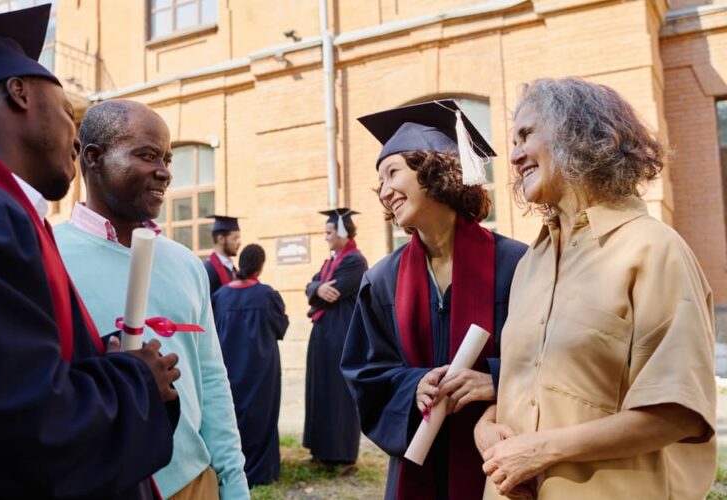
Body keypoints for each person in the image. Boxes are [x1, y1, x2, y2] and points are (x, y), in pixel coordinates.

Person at [0, 7, 181, 499]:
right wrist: (136, 380)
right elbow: (21, 424)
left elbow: (21, 373)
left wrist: (102, 364)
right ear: (20, 92)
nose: (75, 136)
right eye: (69, 114)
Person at [476, 78, 717, 500]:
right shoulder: (530, 263)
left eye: (526, 134)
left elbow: (678, 413)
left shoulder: (654, 249)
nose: (513, 156)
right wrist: (488, 424)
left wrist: (540, 451)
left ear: (578, 133)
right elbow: (527, 381)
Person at [54, 99, 250, 500]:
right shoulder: (48, 257)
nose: (164, 171)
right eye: (147, 155)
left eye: (167, 158)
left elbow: (211, 379)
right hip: (101, 484)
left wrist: (232, 480)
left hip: (192, 480)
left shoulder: (185, 263)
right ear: (93, 157)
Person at [341, 100, 528, 499]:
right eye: (381, 180)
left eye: (393, 172)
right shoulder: (382, 280)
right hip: (417, 463)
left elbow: (552, 357)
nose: (385, 191)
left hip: (497, 456)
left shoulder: (516, 264)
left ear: (432, 168)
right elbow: (364, 370)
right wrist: (413, 386)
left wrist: (495, 379)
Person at [212, 244, 290, 487]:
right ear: (260, 265)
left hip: (228, 366)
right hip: (261, 367)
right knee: (262, 416)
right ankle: (262, 472)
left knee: (233, 416)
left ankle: (235, 469)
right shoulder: (267, 295)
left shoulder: (221, 296)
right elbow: (281, 328)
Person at [303, 208, 369, 468]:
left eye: (329, 232)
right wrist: (317, 287)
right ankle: (320, 451)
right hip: (323, 333)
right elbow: (314, 286)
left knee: (339, 394)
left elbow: (335, 291)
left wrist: (317, 288)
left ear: (342, 232)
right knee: (320, 389)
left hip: (342, 334)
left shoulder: (355, 261)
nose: (325, 237)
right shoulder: (331, 260)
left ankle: (342, 455)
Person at [204, 215, 241, 296]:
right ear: (221, 239)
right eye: (235, 239)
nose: (239, 243)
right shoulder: (208, 270)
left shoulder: (233, 269)